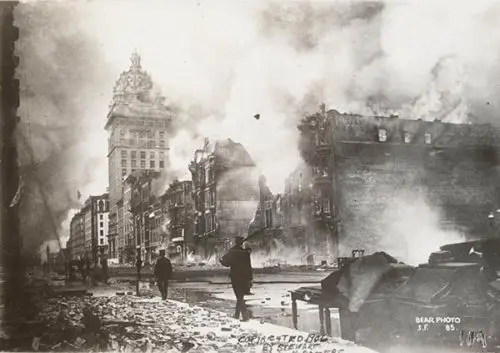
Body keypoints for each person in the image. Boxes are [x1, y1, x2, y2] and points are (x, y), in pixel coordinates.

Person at [220, 236, 253, 321]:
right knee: (240, 295)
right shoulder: (245, 253)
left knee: (239, 296)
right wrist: (250, 278)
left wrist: (220, 260)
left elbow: (226, 263)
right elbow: (249, 266)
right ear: (242, 243)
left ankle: (245, 316)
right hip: (244, 277)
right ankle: (237, 315)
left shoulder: (233, 252)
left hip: (235, 277)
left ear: (235, 242)